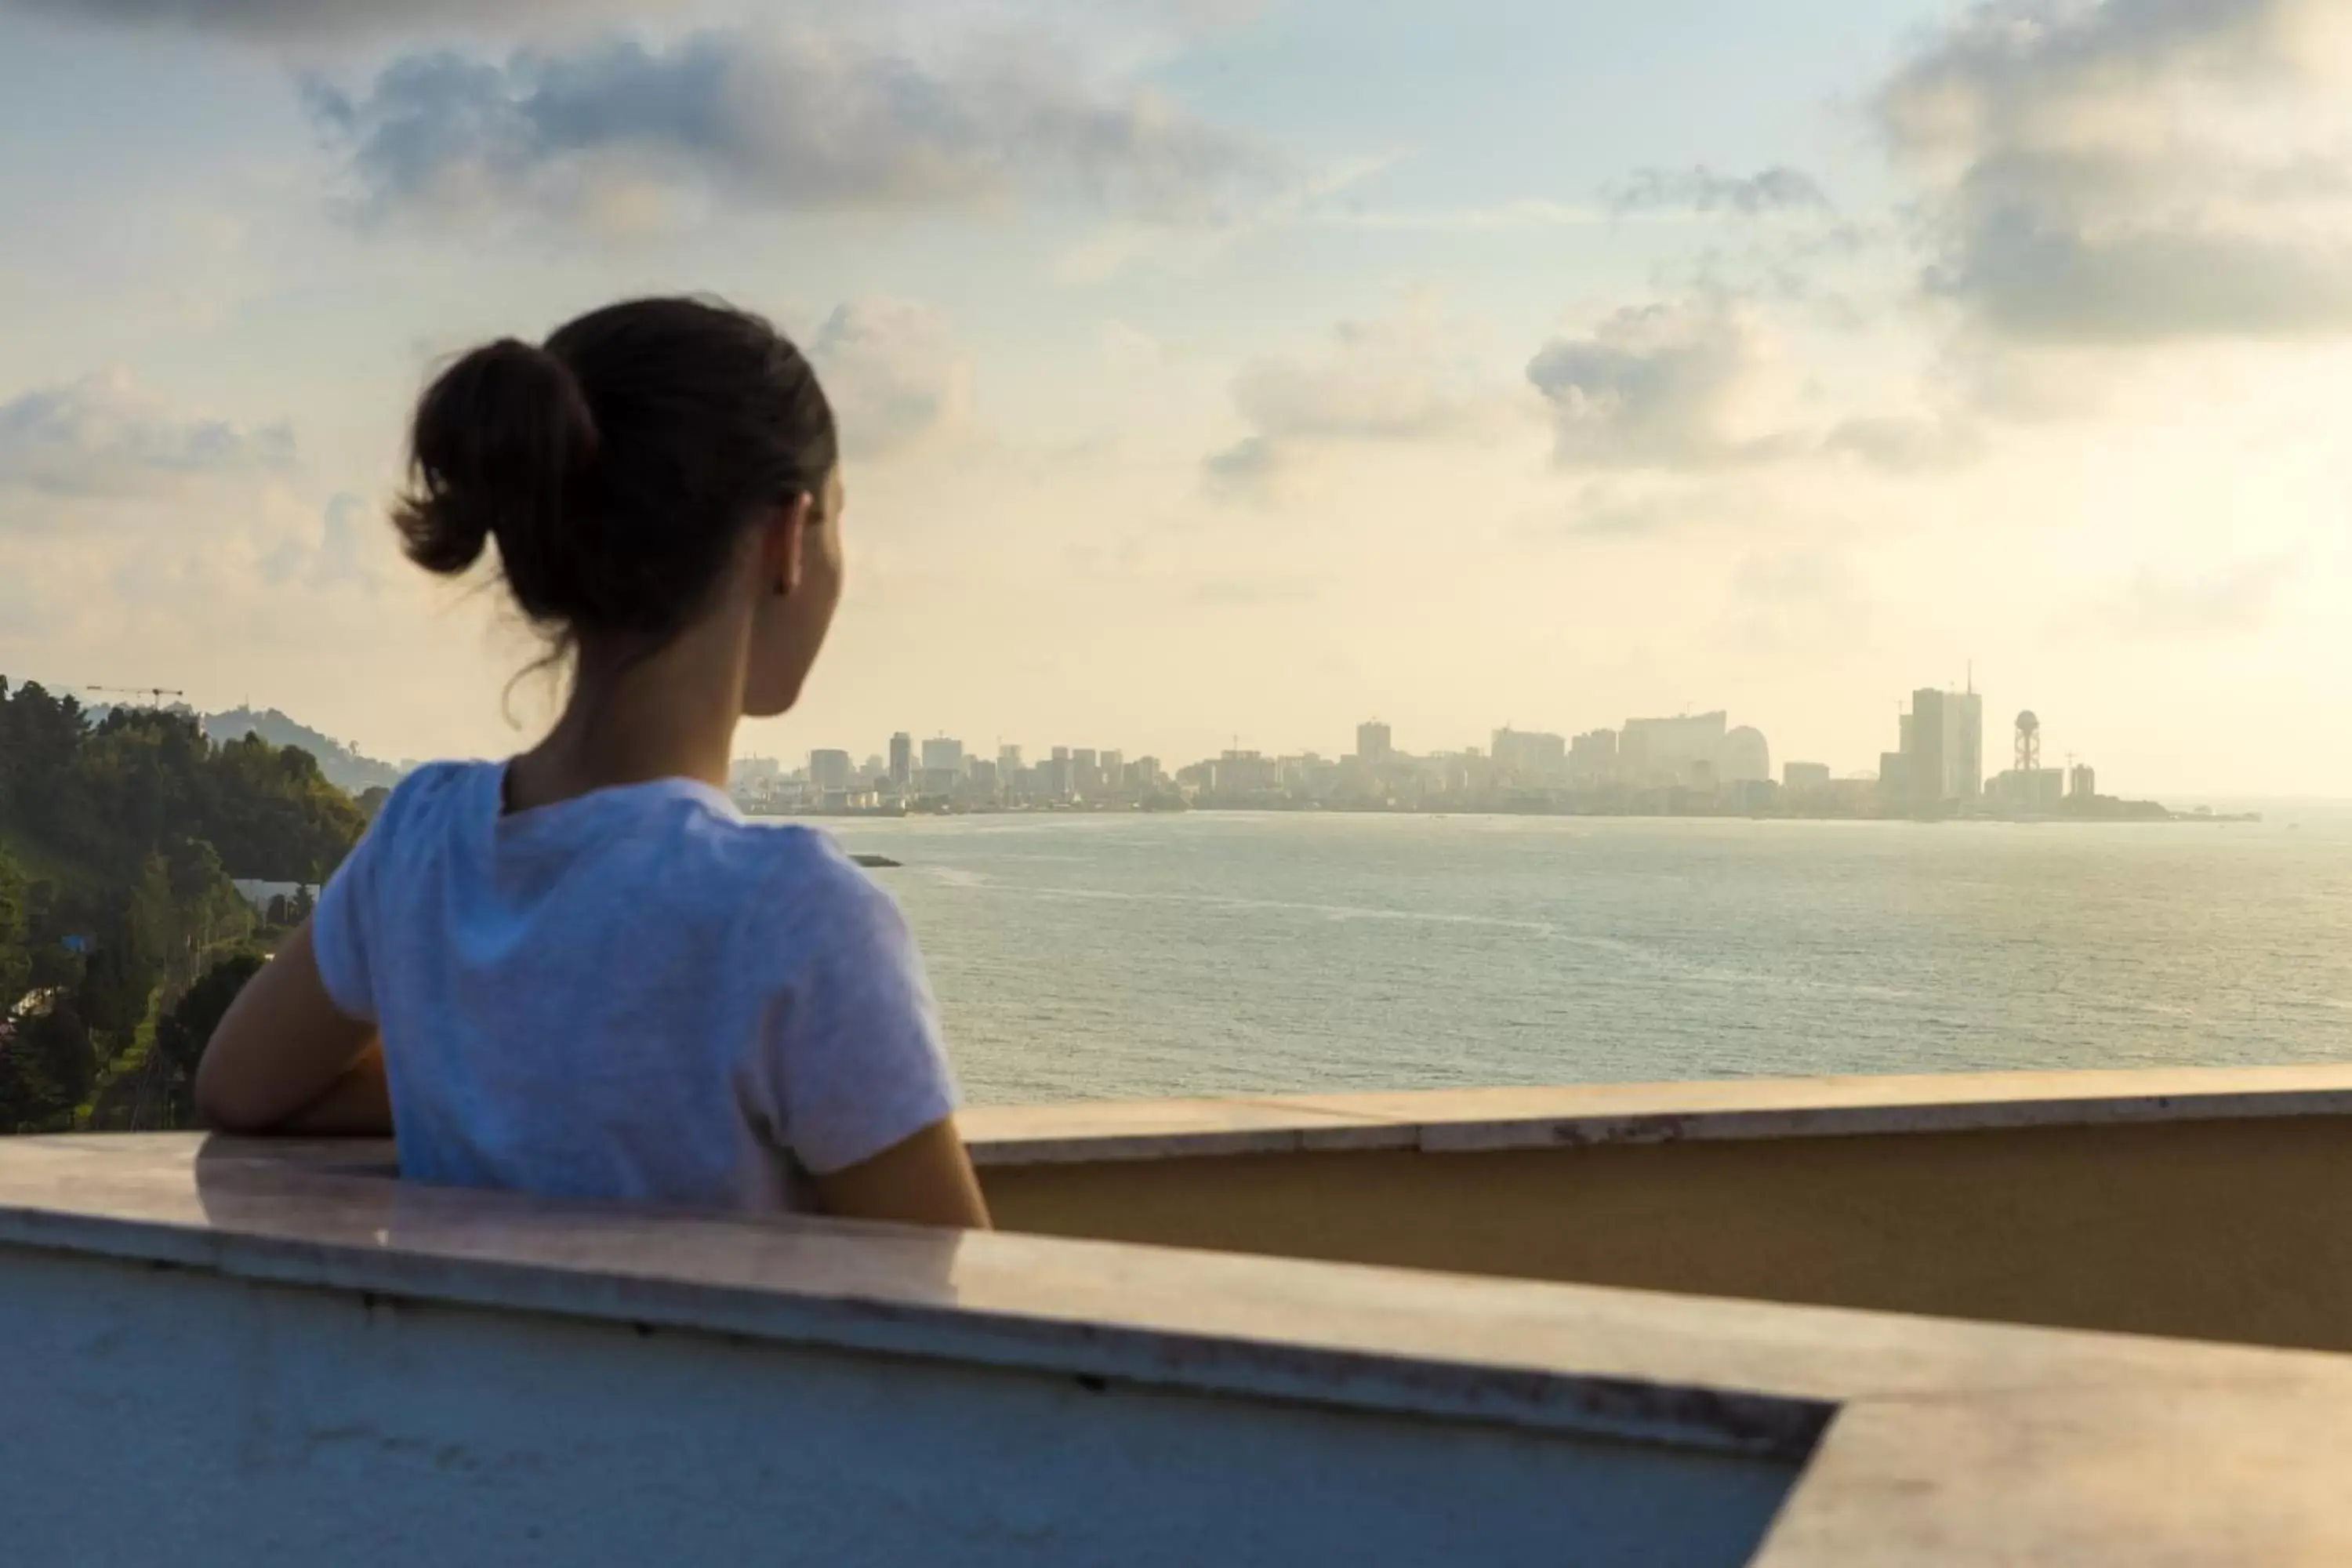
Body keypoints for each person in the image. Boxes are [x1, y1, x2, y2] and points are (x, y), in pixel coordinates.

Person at [195, 297, 990, 1232]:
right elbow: (957, 1307)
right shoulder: (797, 915)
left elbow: (240, 1086)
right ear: (786, 539)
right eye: (839, 524)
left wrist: (476, 1066)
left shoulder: (422, 841)